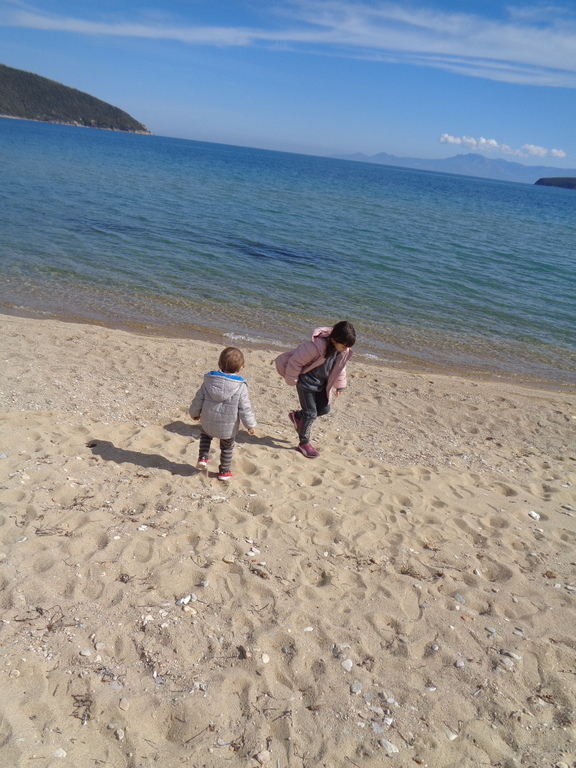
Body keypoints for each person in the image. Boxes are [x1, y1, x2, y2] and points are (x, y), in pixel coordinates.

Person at [275, 321, 356, 458]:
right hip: (305, 383)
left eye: (348, 347)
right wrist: (292, 379)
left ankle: (297, 417)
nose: (345, 349)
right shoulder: (313, 347)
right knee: (311, 413)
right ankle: (304, 443)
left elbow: (340, 369)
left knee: (324, 409)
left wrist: (340, 385)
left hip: (321, 385)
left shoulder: (342, 351)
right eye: (343, 346)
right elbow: (295, 361)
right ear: (334, 340)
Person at [189, 346, 256, 480]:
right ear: (240, 368)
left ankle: (202, 457)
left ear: (219, 364)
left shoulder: (209, 381)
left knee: (206, 436)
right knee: (227, 447)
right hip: (228, 426)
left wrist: (194, 413)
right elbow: (245, 408)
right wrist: (250, 425)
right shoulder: (240, 386)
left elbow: (198, 398)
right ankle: (224, 472)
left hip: (208, 420)